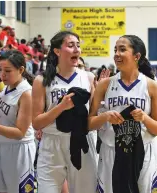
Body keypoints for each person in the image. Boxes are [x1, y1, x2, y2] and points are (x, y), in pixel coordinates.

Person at [89, 35, 157, 193]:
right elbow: (89, 124)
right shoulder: (104, 84)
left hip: (142, 151)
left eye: (122, 50)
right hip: (111, 151)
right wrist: (105, 117)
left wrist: (144, 118)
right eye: (115, 50)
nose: (117, 53)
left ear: (137, 56)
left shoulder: (152, 86)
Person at [32, 31, 98, 193]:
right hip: (52, 143)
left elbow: (93, 117)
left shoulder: (88, 77)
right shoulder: (41, 81)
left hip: (82, 142)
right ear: (57, 51)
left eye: (78, 45)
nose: (77, 49)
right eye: (71, 45)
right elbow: (36, 123)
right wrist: (61, 107)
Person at [0, 50, 36, 193]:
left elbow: (19, 132)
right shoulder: (7, 87)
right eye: (0, 69)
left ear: (21, 69)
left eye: (7, 70)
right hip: (0, 145)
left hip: (18, 149)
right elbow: (4, 116)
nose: (2, 74)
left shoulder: (26, 93)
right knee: (0, 189)